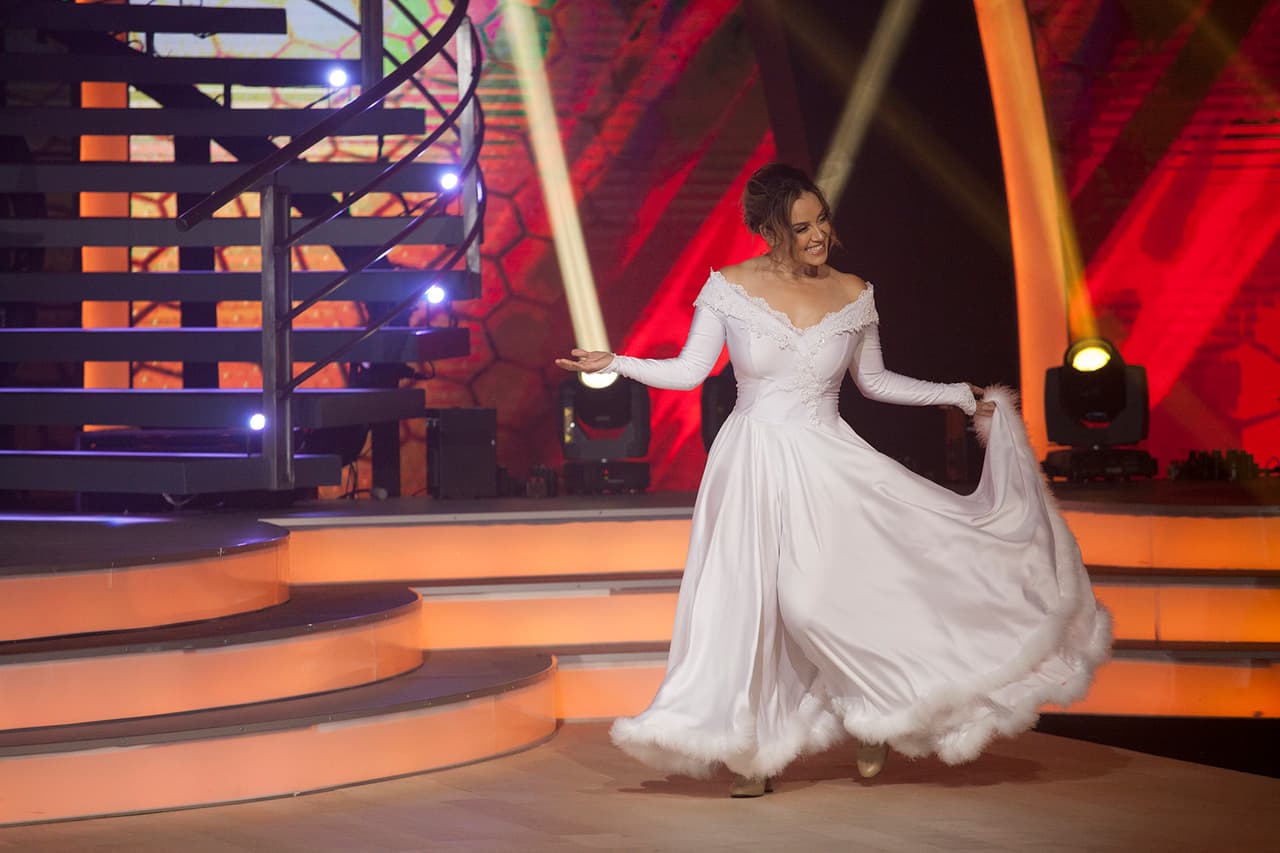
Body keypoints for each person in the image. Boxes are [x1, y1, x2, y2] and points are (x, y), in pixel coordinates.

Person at [556, 163, 1110, 797]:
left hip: (828, 463)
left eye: (821, 220)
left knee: (812, 601)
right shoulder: (727, 290)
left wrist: (960, 396)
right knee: (749, 608)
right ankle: (751, 755)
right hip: (751, 463)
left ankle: (873, 709)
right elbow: (689, 372)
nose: (818, 234)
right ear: (768, 231)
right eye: (801, 226)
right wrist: (617, 364)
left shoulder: (853, 292)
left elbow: (874, 383)